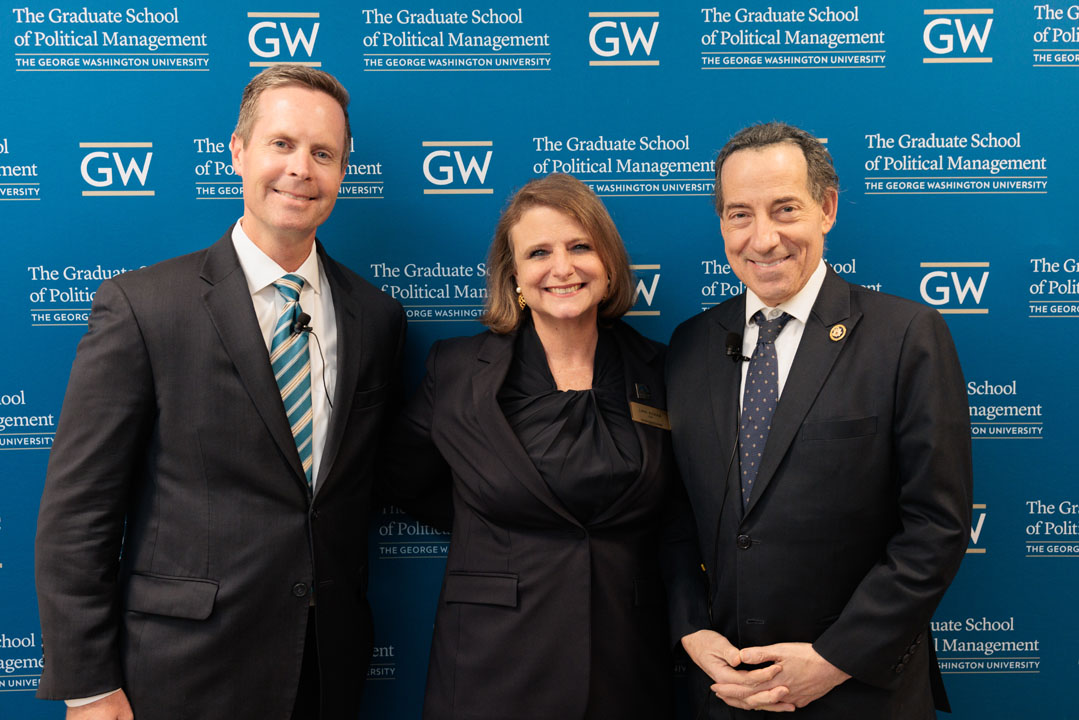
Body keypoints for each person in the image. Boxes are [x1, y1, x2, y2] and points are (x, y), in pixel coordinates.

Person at [34, 65, 405, 720]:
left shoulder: (375, 317)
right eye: (281, 144)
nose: (301, 169)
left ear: (344, 171)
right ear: (237, 152)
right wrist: (88, 685)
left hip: (326, 669)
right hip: (181, 672)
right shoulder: (143, 307)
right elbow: (78, 511)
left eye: (323, 153)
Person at [666, 122, 973, 718]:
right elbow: (675, 515)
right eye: (739, 215)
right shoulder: (689, 346)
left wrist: (834, 658)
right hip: (727, 692)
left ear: (826, 208)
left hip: (859, 691)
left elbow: (935, 527)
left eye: (785, 209)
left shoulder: (906, 337)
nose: (763, 238)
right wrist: (692, 630)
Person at [383, 173, 678, 719]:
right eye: (539, 252)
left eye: (580, 247)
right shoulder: (455, 372)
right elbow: (401, 476)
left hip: (627, 657)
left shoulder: (663, 370)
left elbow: (685, 507)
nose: (562, 268)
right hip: (493, 660)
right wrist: (491, 519)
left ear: (608, 263)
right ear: (514, 275)